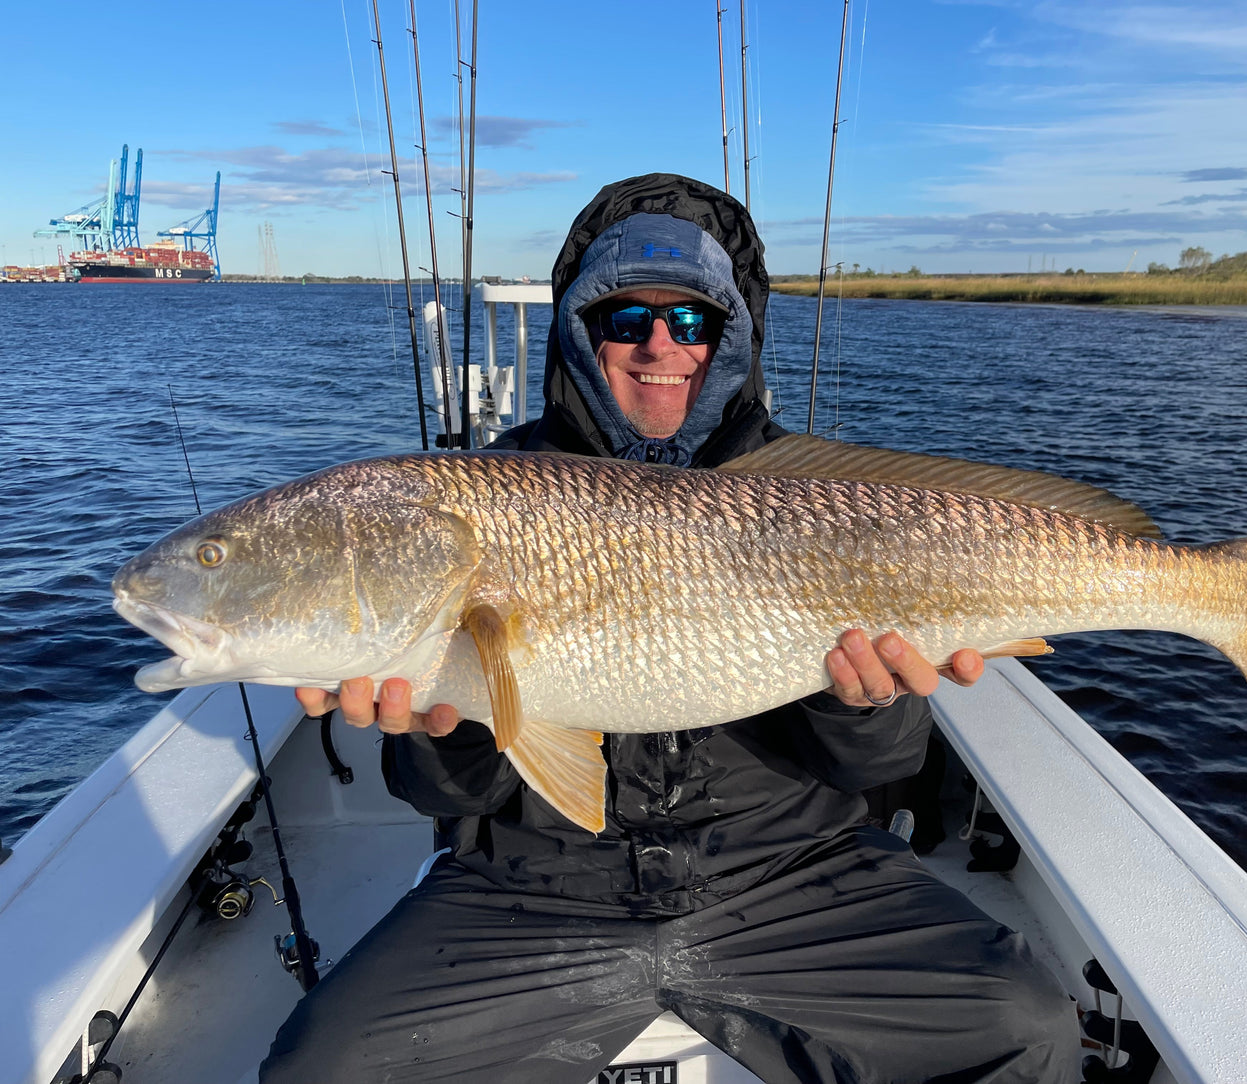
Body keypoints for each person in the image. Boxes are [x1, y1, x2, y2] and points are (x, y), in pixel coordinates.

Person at [262, 174, 1079, 1083]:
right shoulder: (487, 491)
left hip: (793, 875)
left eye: (693, 322)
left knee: (1025, 1022)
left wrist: (865, 706)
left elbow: (880, 767)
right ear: (583, 331)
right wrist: (436, 730)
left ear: (728, 338)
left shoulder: (802, 491)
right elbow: (445, 796)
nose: (661, 345)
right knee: (323, 1069)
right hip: (533, 890)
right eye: (627, 319)